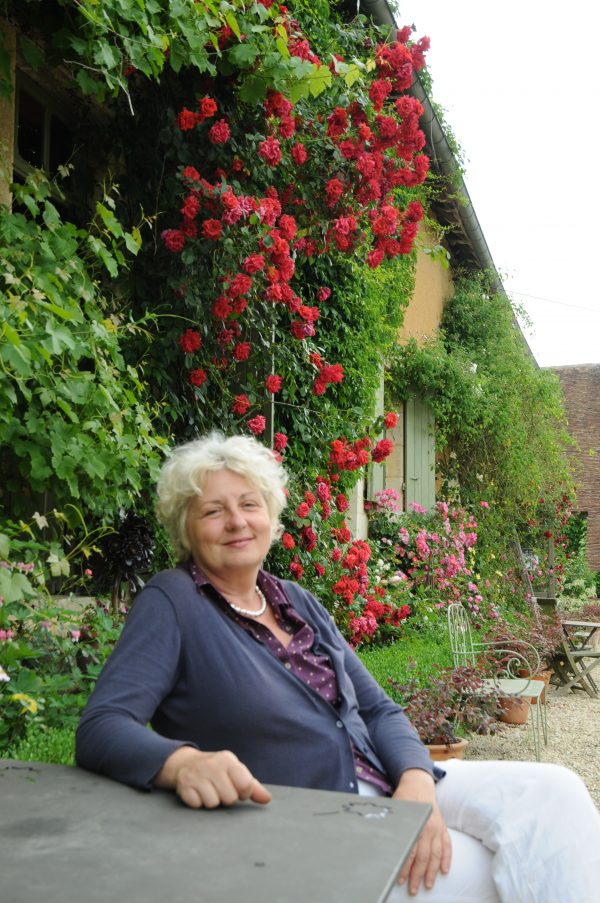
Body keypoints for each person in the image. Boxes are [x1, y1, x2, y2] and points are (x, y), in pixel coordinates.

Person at [76, 433, 600, 902]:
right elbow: (102, 728)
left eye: (249, 504)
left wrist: (416, 785)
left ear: (271, 515)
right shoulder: (174, 602)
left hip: (384, 780)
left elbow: (377, 708)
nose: (237, 521)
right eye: (213, 511)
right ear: (186, 528)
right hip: (315, 819)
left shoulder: (294, 600)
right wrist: (183, 763)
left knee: (555, 795)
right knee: (503, 867)